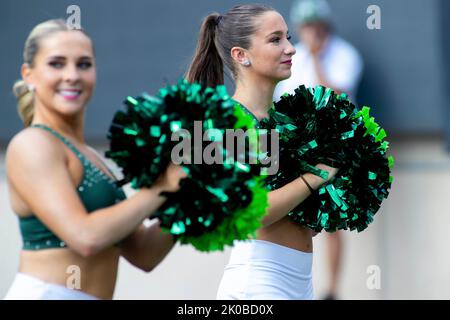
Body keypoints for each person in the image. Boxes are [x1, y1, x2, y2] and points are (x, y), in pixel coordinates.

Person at [4, 19, 186, 300]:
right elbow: (85, 238)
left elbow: (144, 253)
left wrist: (192, 188)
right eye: (56, 64)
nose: (72, 75)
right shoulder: (32, 144)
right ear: (29, 74)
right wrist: (163, 187)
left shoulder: (91, 156)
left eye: (84, 64)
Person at [186, 4, 338, 299]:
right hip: (258, 285)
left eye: (288, 37)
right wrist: (314, 176)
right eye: (275, 40)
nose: (291, 49)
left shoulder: (284, 120)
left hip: (300, 282)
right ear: (241, 55)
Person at [275, 0, 364, 300]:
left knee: (331, 220)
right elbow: (281, 106)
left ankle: (332, 290)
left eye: (316, 25)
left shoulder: (344, 55)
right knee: (296, 216)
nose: (311, 31)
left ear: (325, 26)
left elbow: (337, 96)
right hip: (298, 148)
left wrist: (316, 59)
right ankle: (300, 287)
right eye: (306, 26)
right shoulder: (291, 57)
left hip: (332, 147)